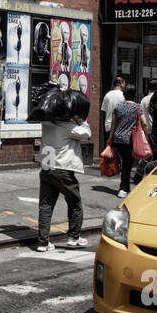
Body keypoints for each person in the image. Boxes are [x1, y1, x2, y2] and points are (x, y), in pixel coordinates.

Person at [37, 90, 91, 251]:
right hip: (63, 170)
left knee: (46, 206)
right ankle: (74, 238)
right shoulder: (69, 127)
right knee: (74, 202)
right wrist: (81, 119)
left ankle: (43, 242)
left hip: (46, 168)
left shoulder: (46, 124)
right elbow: (87, 134)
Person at [107, 96, 141, 197]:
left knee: (123, 164)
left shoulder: (118, 106)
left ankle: (126, 187)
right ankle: (123, 188)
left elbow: (113, 123)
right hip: (130, 139)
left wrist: (110, 137)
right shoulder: (137, 107)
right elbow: (143, 122)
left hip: (117, 138)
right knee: (127, 164)